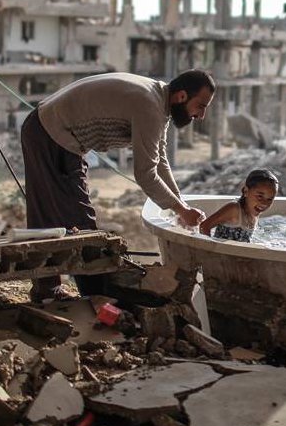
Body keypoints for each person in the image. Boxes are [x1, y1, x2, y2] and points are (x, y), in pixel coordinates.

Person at [21, 69, 216, 301]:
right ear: (182, 96)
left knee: (62, 217)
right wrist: (181, 210)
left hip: (57, 134)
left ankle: (54, 291)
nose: (201, 115)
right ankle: (92, 297)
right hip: (49, 133)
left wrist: (181, 205)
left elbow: (159, 160)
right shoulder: (149, 106)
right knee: (75, 221)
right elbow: (145, 173)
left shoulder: (159, 99)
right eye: (201, 106)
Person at [198, 168, 280, 242]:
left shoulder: (254, 212)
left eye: (270, 199)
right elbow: (204, 227)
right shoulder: (234, 209)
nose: (264, 203)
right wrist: (211, 251)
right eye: (260, 196)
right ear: (246, 191)